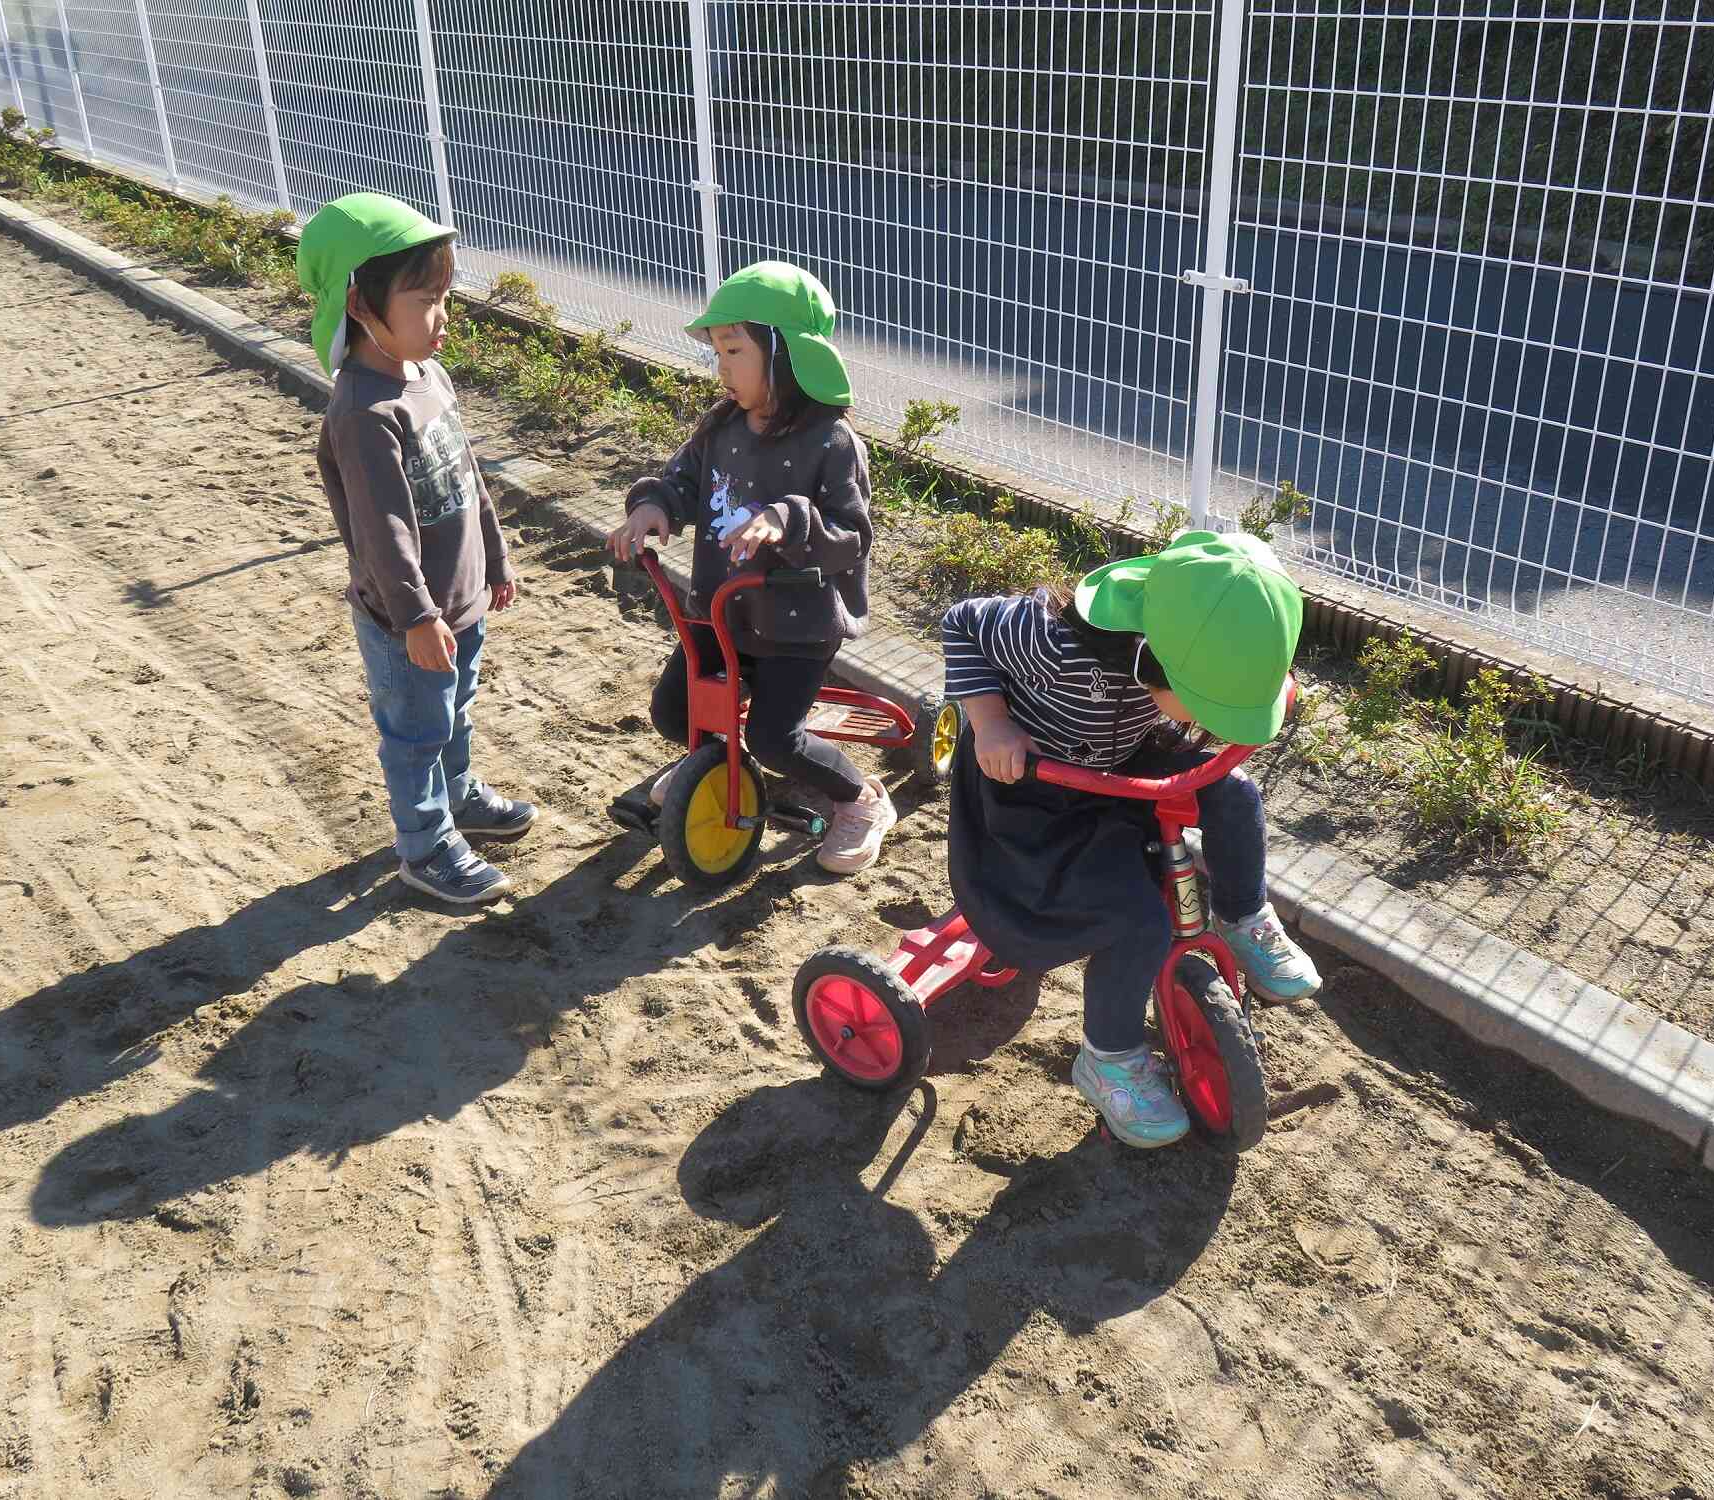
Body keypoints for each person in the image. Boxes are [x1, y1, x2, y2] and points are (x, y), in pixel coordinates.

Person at [941, 530, 1322, 1147]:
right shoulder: (1048, 638)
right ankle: (1108, 1056)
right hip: (1036, 795)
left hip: (1119, 762)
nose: (1206, 721)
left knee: (1235, 793)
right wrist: (990, 723)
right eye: (1202, 702)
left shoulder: (1192, 642)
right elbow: (960, 623)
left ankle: (1242, 914)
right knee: (1138, 919)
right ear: (1148, 659)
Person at [607, 261, 895, 875]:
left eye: (734, 350)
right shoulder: (722, 426)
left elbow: (850, 536)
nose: (722, 367)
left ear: (787, 353)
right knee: (674, 710)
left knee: (774, 738)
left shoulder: (831, 442)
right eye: (717, 351)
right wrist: (653, 505)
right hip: (722, 609)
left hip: (798, 624)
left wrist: (789, 520)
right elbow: (682, 480)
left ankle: (861, 799)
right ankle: (715, 764)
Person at [299, 192, 536, 905]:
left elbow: (467, 477)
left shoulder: (428, 378)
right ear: (361, 304)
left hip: (458, 604)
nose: (443, 318)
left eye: (445, 296)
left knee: (453, 711)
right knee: (414, 733)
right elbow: (384, 534)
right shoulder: (364, 413)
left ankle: (456, 795)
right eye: (425, 299)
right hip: (411, 621)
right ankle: (425, 844)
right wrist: (416, 619)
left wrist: (493, 558)